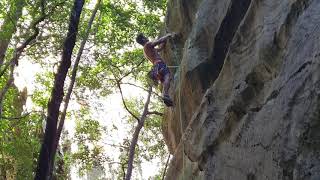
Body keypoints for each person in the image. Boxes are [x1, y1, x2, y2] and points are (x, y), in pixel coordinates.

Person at [136, 33, 175, 107]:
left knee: (164, 81)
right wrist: (167, 35)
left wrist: (164, 42)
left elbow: (159, 49)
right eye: (145, 36)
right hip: (160, 64)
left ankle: (166, 96)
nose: (146, 37)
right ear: (143, 39)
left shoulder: (146, 50)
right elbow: (158, 41)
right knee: (168, 76)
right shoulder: (147, 44)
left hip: (156, 68)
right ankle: (166, 94)